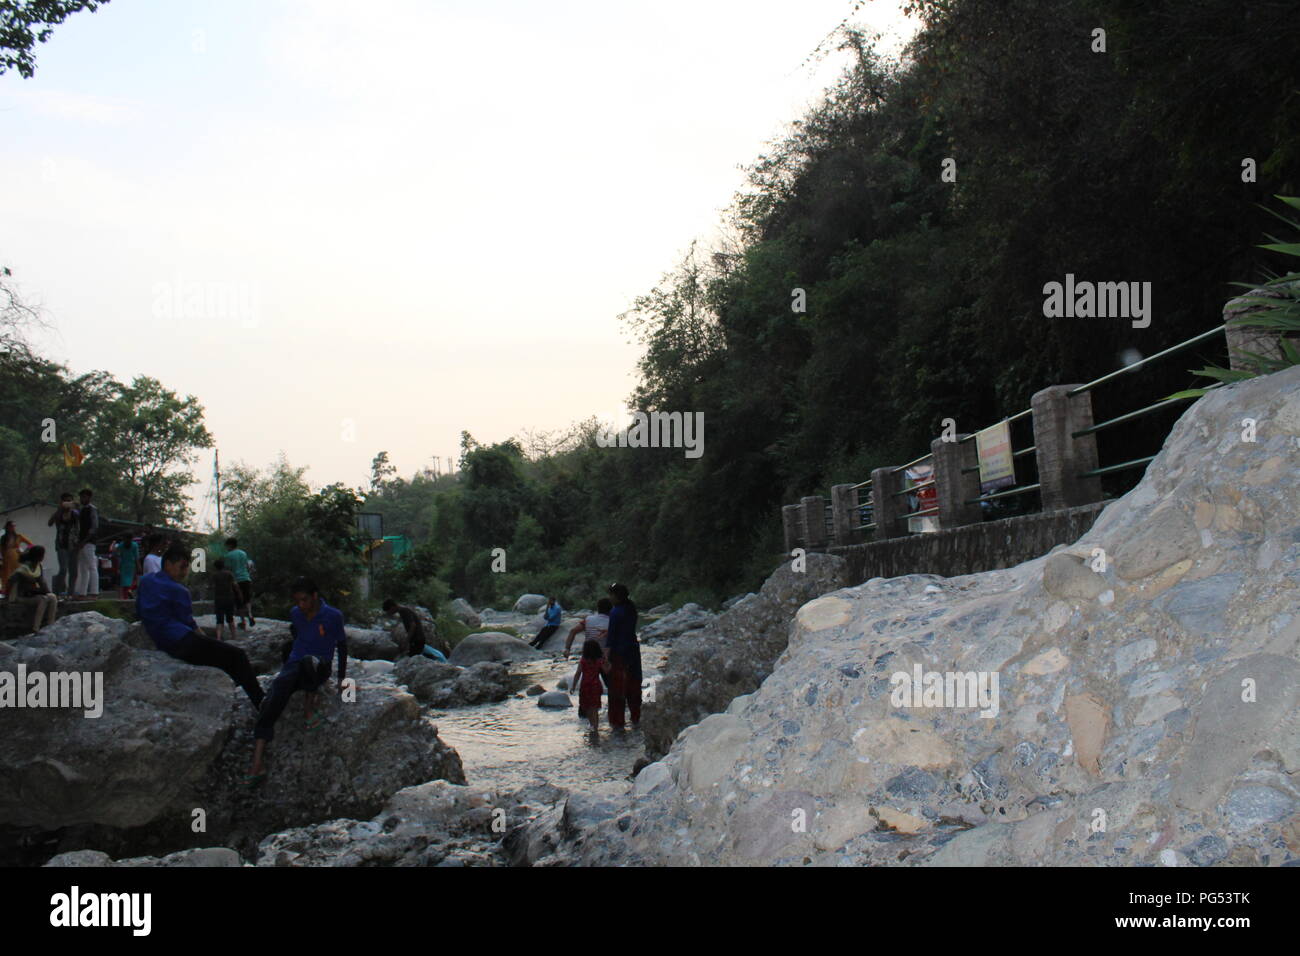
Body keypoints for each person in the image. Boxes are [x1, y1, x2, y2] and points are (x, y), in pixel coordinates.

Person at [136, 543, 264, 709]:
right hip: (181, 641)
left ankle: (244, 692)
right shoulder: (179, 590)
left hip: (164, 640)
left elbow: (139, 609)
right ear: (168, 564)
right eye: (182, 567)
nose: (185, 572)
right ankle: (261, 702)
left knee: (223, 656)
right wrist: (208, 639)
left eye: (186, 568)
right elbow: (189, 623)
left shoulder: (146, 581)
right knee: (237, 656)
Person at [248, 577, 348, 783]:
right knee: (273, 697)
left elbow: (342, 646)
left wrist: (341, 678)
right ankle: (257, 763)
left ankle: (309, 707)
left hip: (320, 666)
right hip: (294, 666)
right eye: (297, 601)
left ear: (315, 596)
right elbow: (297, 636)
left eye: (304, 600)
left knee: (308, 662)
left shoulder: (333, 616)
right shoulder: (296, 614)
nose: (301, 606)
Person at [605, 582, 641, 730]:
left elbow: (611, 636)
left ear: (616, 596)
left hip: (619, 653)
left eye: (611, 594)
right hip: (632, 650)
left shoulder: (615, 612)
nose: (609, 597)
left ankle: (617, 722)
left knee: (617, 690)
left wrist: (606, 657)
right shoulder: (631, 609)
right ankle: (636, 717)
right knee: (634, 683)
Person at [7, 546, 58, 632]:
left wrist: (47, 592)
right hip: (22, 596)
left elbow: (42, 582)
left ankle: (50, 625)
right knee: (43, 599)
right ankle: (36, 628)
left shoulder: (38, 567)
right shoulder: (23, 569)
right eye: (42, 555)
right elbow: (12, 581)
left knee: (52, 597)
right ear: (38, 556)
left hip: (34, 594)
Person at [572, 638, 608, 736]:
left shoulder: (583, 660)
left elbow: (578, 673)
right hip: (596, 685)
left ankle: (592, 724)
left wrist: (573, 686)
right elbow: (606, 671)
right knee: (595, 707)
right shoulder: (599, 661)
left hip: (585, 686)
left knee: (587, 706)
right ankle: (596, 727)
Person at [47, 493, 80, 597]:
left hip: (73, 544)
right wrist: (60, 509)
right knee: (63, 569)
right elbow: (50, 523)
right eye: (65, 501)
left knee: (73, 571)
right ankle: (57, 592)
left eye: (69, 501)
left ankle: (71, 593)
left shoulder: (75, 513)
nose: (67, 503)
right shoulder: (59, 514)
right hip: (61, 544)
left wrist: (76, 506)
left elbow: (81, 521)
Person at [222, 537, 256, 629]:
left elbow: (228, 569)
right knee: (247, 599)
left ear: (230, 545)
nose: (226, 548)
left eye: (227, 546)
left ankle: (243, 622)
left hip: (236, 581)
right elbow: (247, 565)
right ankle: (250, 614)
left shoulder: (228, 556)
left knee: (239, 602)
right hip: (246, 578)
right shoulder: (243, 553)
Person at [72, 488, 99, 598]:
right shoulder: (82, 510)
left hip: (89, 542)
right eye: (81, 497)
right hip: (81, 542)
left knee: (92, 566)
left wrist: (84, 541)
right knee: (83, 568)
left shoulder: (92, 509)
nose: (82, 499)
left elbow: (94, 527)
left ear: (89, 497)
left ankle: (94, 592)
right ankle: (82, 592)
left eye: (84, 497)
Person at [1, 520, 33, 598]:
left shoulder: (19, 536)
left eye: (14, 526)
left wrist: (24, 552)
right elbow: (1, 549)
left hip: (16, 557)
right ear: (7, 527)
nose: (12, 528)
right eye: (11, 526)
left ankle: (18, 592)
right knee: (6, 575)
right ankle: (7, 593)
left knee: (16, 574)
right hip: (6, 558)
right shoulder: (3, 538)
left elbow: (30, 544)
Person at [210, 558, 240, 641]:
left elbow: (212, 587)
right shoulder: (229, 574)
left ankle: (218, 638)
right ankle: (234, 637)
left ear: (215, 567)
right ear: (223, 566)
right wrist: (239, 594)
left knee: (219, 620)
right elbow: (235, 585)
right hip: (229, 598)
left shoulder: (214, 575)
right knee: (230, 618)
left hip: (219, 599)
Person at [113, 533, 140, 600]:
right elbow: (136, 557)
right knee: (133, 581)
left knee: (124, 583)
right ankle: (129, 591)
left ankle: (125, 597)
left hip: (123, 565)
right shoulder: (134, 545)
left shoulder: (121, 545)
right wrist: (139, 566)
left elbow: (116, 554)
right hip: (132, 565)